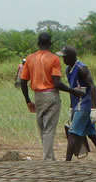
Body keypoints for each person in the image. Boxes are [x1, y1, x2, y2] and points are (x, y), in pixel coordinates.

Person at [19, 33, 85, 161]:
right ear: (50, 44)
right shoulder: (54, 59)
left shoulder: (30, 58)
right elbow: (56, 83)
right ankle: (48, 159)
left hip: (37, 95)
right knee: (49, 128)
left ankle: (49, 157)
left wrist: (28, 100)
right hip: (50, 95)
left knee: (42, 128)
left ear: (38, 43)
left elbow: (23, 81)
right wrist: (73, 91)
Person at [58, 45, 96, 162]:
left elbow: (92, 87)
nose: (63, 60)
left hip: (84, 105)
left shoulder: (82, 68)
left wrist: (93, 109)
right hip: (77, 105)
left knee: (72, 134)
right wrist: (71, 108)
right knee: (91, 134)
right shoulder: (68, 70)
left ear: (71, 57)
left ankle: (67, 163)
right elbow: (73, 90)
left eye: (65, 57)